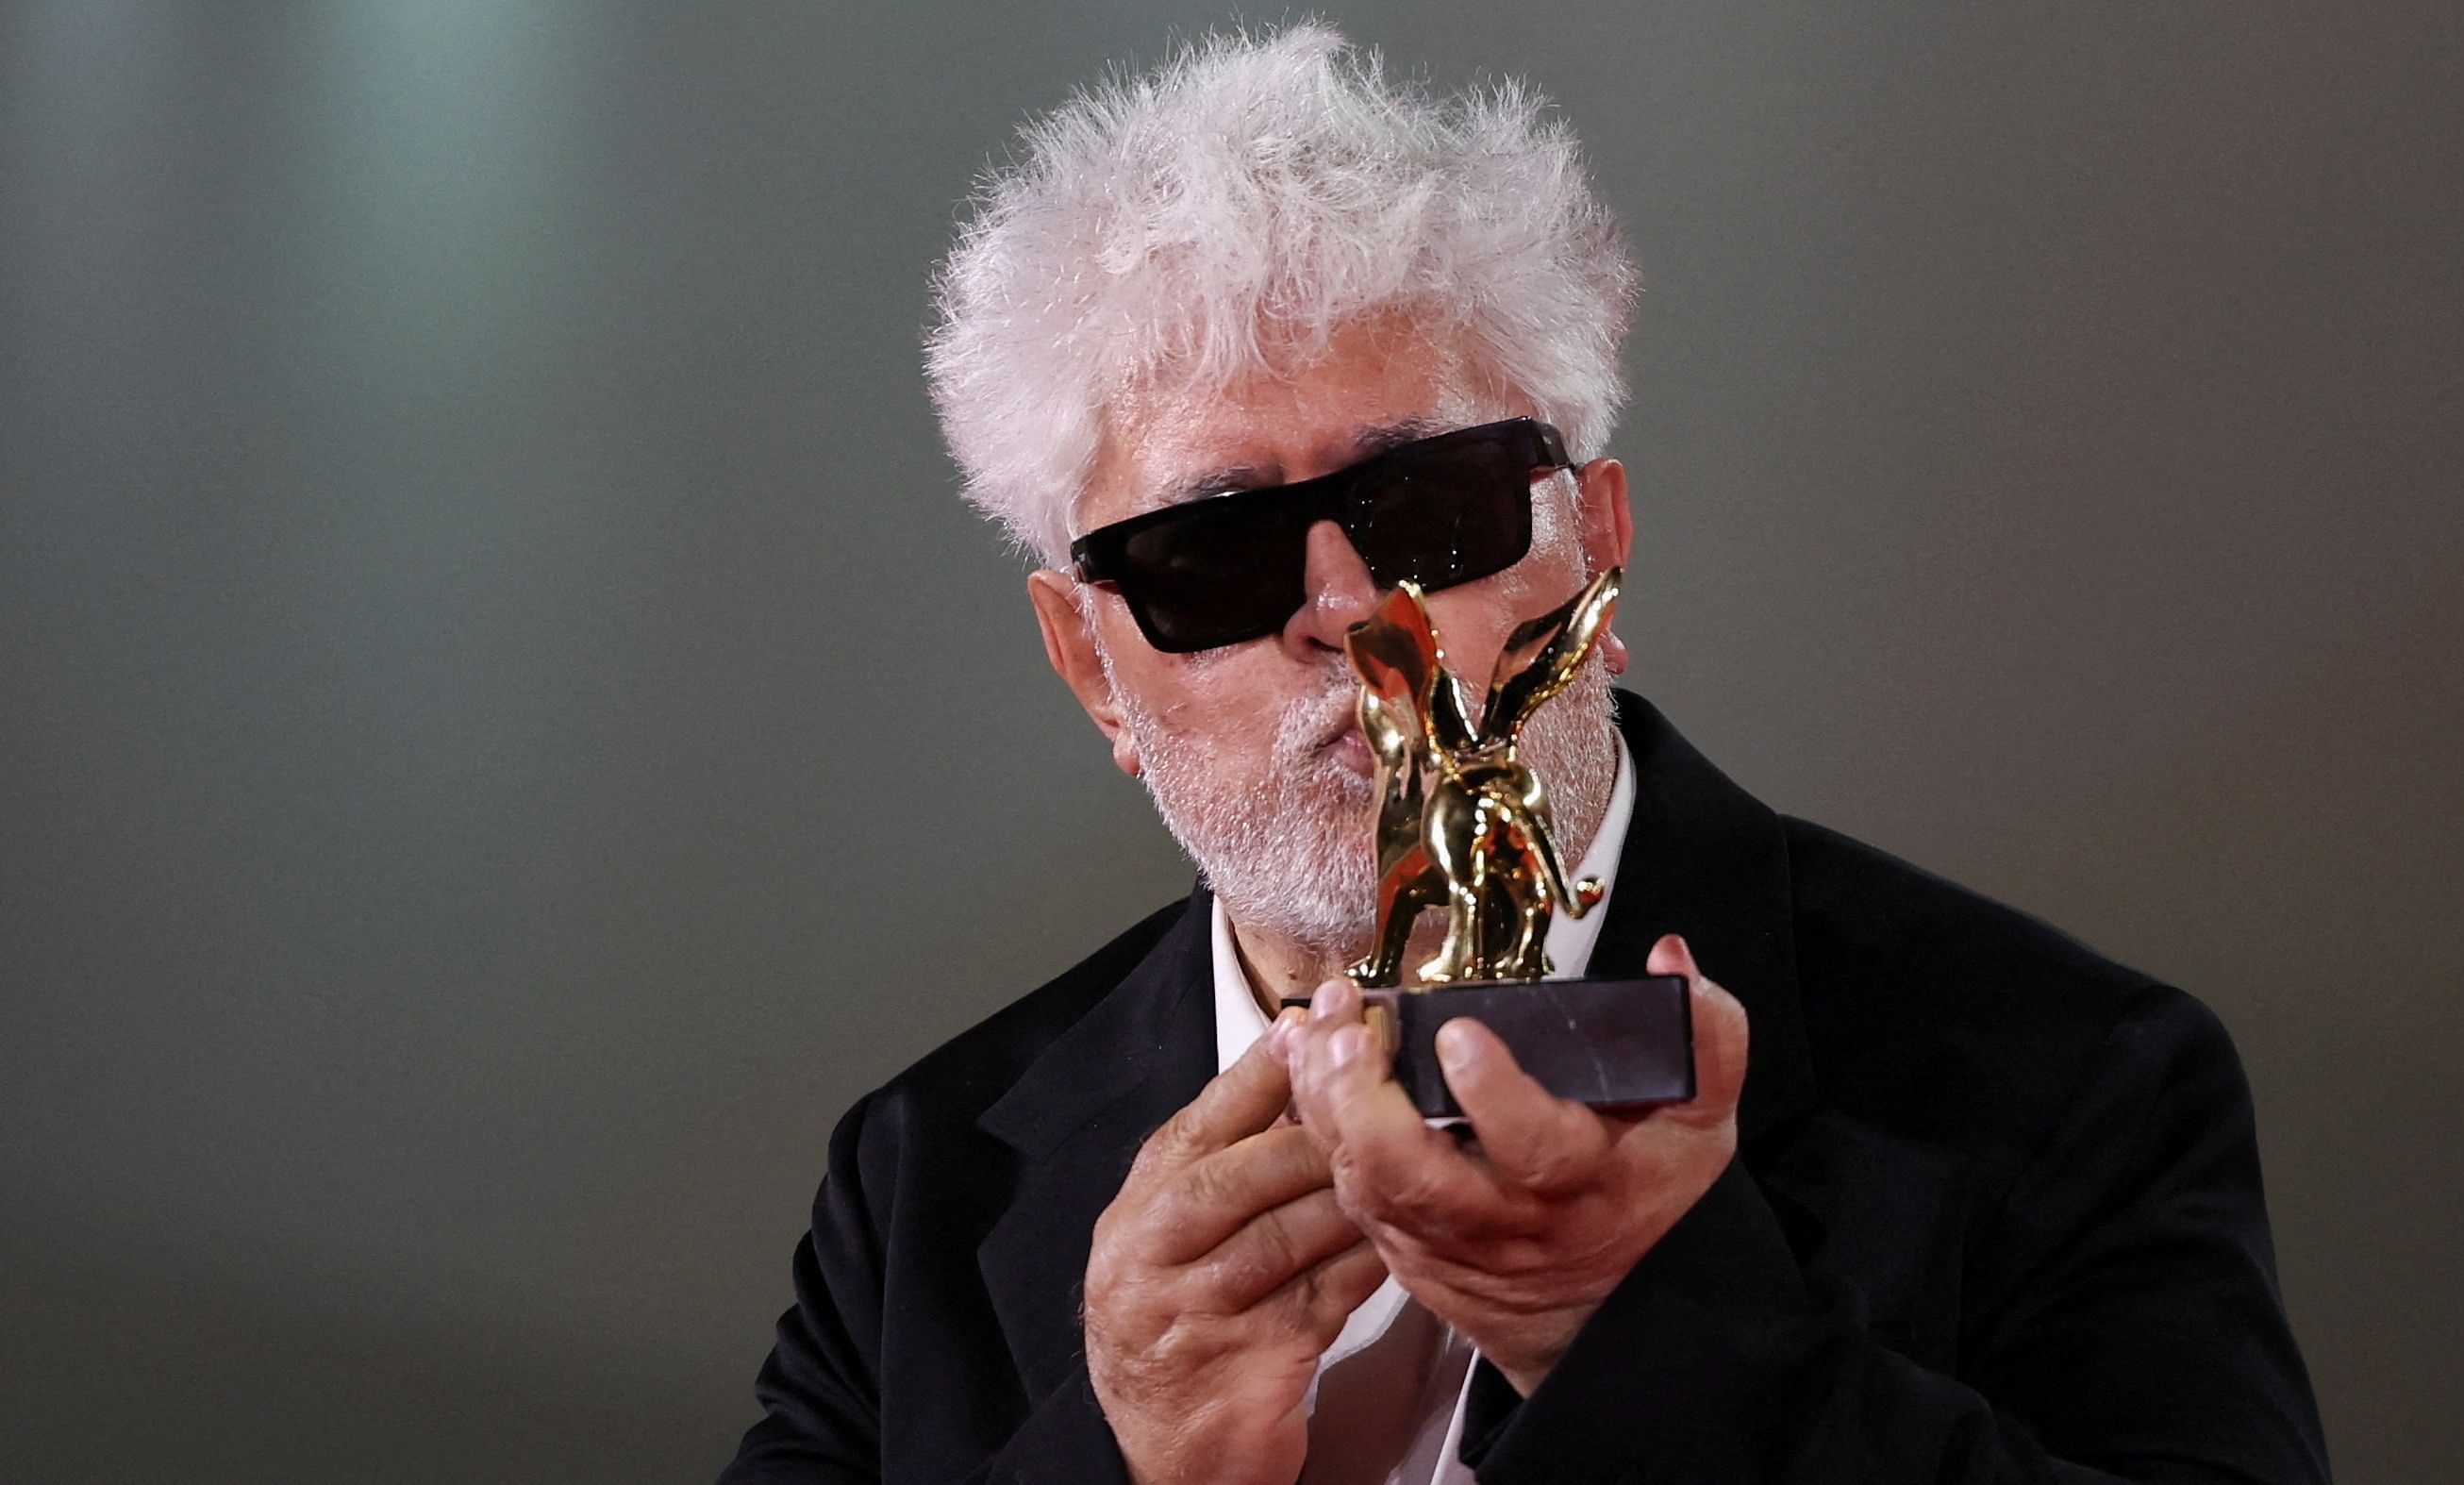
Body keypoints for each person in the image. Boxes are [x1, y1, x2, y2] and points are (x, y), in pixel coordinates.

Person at [720, 25, 2327, 1485]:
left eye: (1431, 509)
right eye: (1209, 557)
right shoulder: (922, 1185)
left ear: (1595, 550)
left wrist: (1641, 1343)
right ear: (1091, 667)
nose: (1354, 617)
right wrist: (1130, 1454)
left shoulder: (2066, 1082)